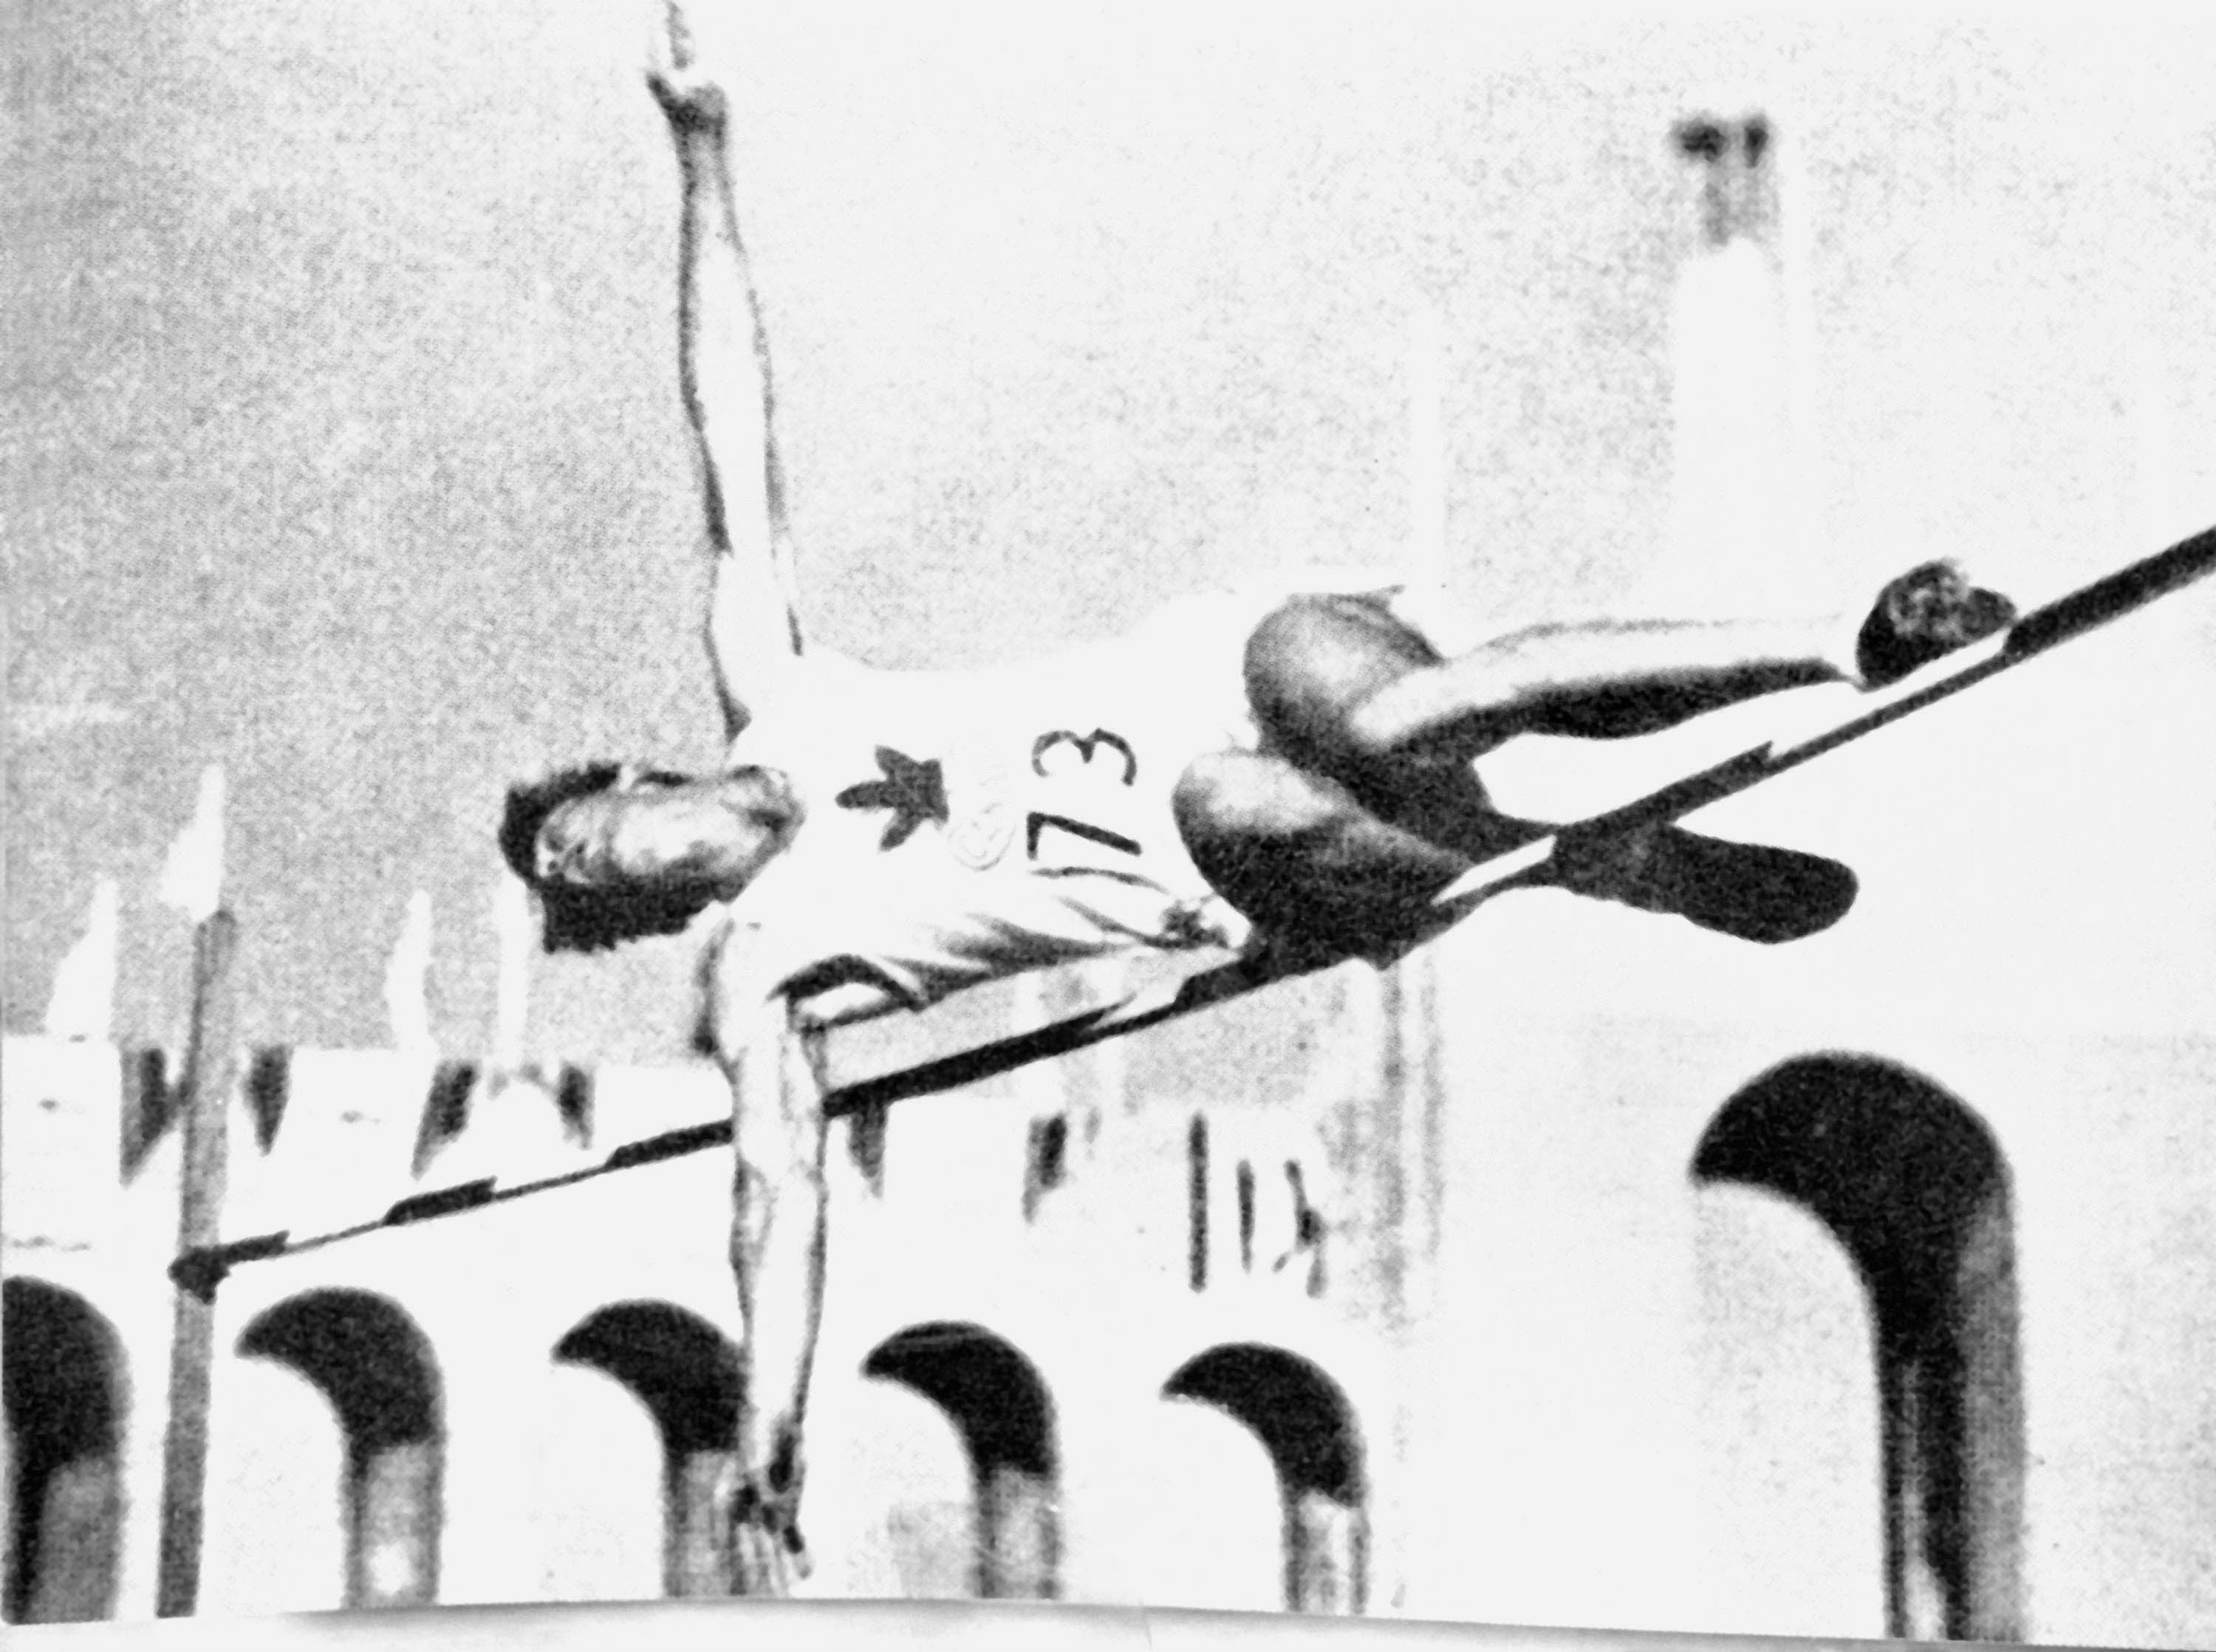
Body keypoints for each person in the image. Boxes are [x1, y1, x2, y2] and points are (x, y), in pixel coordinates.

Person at [500, 5, 2014, 1594]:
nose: (607, 859)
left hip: (1212, 670)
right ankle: (1607, 864)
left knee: (1424, 698)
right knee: (1237, 801)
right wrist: (769, 1440)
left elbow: (729, 415)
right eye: (593, 891)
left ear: (631, 776)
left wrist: (705, 149)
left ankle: (1851, 644)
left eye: (586, 831)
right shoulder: (760, 965)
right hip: (1227, 858)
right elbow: (779, 1201)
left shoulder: (774, 677)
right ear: (647, 917)